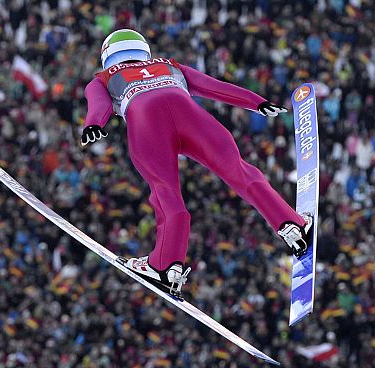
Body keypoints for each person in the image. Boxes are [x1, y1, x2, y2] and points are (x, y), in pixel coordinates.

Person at [80, 29, 312, 296]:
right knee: (239, 170)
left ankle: (167, 266)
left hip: (147, 124)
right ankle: (291, 224)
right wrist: (256, 102)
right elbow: (214, 86)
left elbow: (98, 104)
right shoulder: (168, 65)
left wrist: (94, 125)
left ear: (107, 56)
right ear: (144, 50)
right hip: (190, 116)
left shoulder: (103, 78)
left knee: (166, 193)